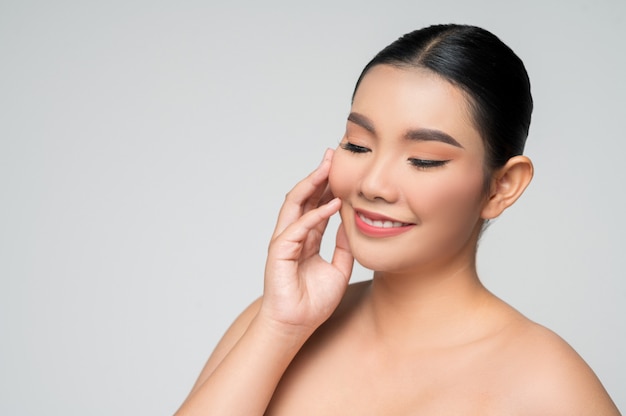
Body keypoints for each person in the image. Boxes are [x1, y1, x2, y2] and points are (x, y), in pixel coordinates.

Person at [175, 24, 620, 415]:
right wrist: (280, 329)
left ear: (502, 186)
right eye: (358, 145)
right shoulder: (274, 325)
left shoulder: (547, 384)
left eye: (423, 160)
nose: (373, 184)